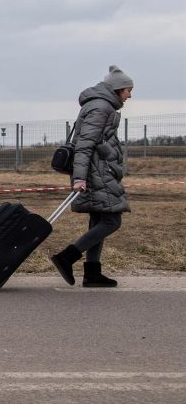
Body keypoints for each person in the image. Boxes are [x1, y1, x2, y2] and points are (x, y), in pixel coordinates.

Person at [50, 65, 134, 287]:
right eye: (128, 90)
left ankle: (92, 274)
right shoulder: (100, 108)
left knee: (99, 219)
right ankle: (66, 257)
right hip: (96, 174)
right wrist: (80, 178)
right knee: (112, 221)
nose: (130, 95)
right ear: (117, 89)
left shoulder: (101, 105)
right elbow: (84, 145)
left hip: (99, 171)